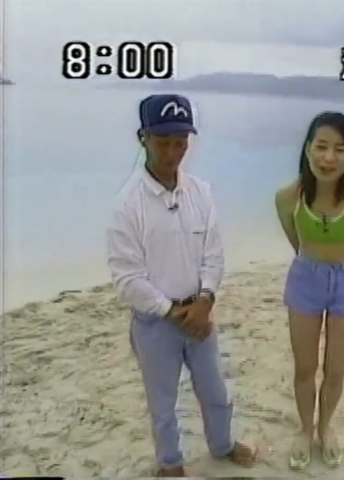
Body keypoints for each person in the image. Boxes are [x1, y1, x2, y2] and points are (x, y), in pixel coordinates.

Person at [107, 94, 256, 477]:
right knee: (163, 403)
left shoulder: (200, 192)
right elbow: (126, 278)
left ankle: (222, 445)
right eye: (163, 142)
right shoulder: (128, 204)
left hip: (200, 313)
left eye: (181, 142)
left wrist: (205, 299)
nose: (173, 152)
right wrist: (171, 311)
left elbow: (214, 254)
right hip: (156, 323)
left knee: (215, 391)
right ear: (143, 138)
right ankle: (170, 463)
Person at [274, 111, 344, 469]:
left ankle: (325, 428)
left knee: (336, 370)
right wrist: (316, 263)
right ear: (307, 149)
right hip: (305, 278)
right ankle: (305, 430)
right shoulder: (287, 198)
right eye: (321, 147)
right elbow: (296, 242)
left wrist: (335, 260)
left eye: (340, 149)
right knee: (305, 368)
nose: (328, 158)